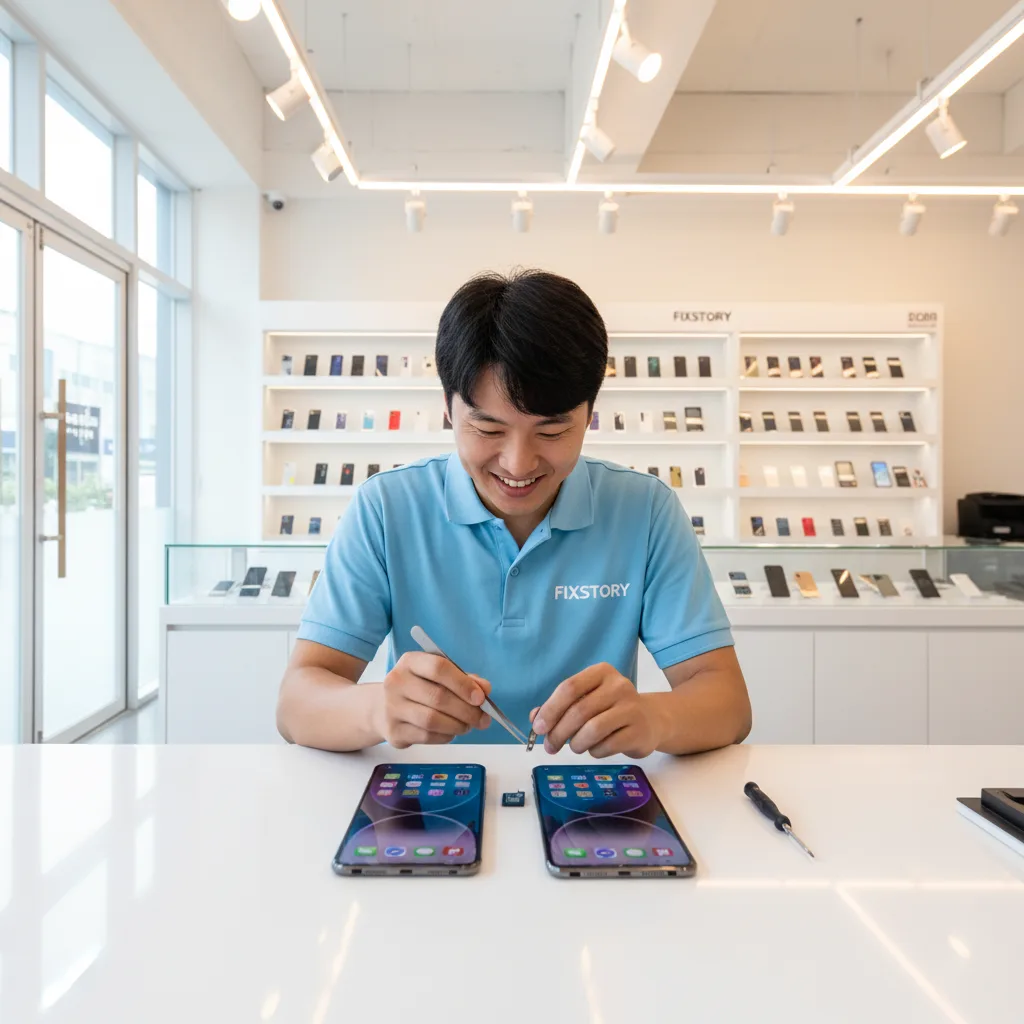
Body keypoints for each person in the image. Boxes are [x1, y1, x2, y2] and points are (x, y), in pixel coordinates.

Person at [277, 269, 751, 756]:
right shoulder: (386, 508)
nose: (518, 464)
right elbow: (297, 705)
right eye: (487, 430)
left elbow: (728, 703)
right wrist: (375, 709)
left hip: (587, 799)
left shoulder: (646, 511)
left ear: (590, 414)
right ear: (448, 408)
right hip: (433, 794)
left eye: (551, 433)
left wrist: (656, 717)